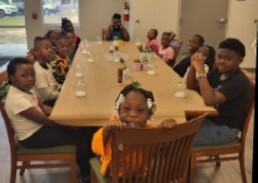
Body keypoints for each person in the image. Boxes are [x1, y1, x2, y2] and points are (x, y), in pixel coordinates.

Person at [4, 58, 94, 183]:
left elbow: (43, 107)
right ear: (12, 77)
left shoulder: (26, 90)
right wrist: (69, 124)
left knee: (85, 129)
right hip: (33, 137)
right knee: (81, 139)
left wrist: (64, 116)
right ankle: (86, 177)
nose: (30, 78)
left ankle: (93, 162)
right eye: (24, 76)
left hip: (40, 129)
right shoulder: (16, 99)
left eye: (32, 75)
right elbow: (44, 120)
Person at [92, 82, 176, 176]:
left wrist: (169, 124)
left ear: (149, 114)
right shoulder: (113, 127)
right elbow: (95, 146)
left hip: (139, 175)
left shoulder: (150, 131)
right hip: (113, 175)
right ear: (118, 111)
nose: (133, 115)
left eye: (141, 110)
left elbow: (169, 139)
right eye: (127, 109)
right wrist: (106, 130)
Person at [186, 38, 250, 145]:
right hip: (210, 119)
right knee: (177, 127)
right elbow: (191, 85)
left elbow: (209, 100)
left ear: (240, 61)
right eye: (219, 57)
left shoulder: (238, 81)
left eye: (227, 59)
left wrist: (201, 71)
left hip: (225, 128)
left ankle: (177, 158)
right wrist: (193, 66)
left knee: (180, 138)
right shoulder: (218, 72)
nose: (221, 61)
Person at [32, 36, 61, 107]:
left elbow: (54, 84)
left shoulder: (48, 65)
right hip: (45, 103)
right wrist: (62, 94)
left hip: (54, 95)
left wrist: (63, 87)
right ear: (36, 52)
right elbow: (47, 95)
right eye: (46, 48)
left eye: (51, 48)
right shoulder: (38, 71)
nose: (50, 50)